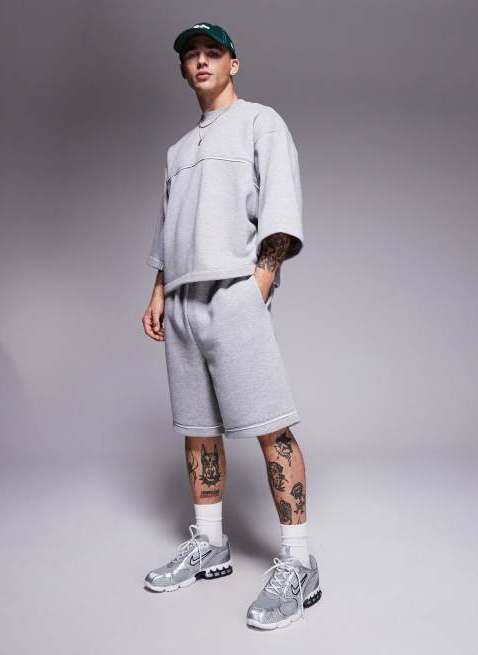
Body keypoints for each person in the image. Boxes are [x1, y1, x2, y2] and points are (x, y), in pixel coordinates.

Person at [141, 22, 322, 630]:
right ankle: (210, 543)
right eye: (192, 56)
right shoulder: (177, 150)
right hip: (182, 300)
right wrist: (159, 290)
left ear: (233, 64)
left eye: (212, 53)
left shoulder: (260, 122)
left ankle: (298, 561)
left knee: (271, 426)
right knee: (197, 429)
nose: (201, 62)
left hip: (233, 293)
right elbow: (169, 225)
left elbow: (280, 205)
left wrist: (260, 283)